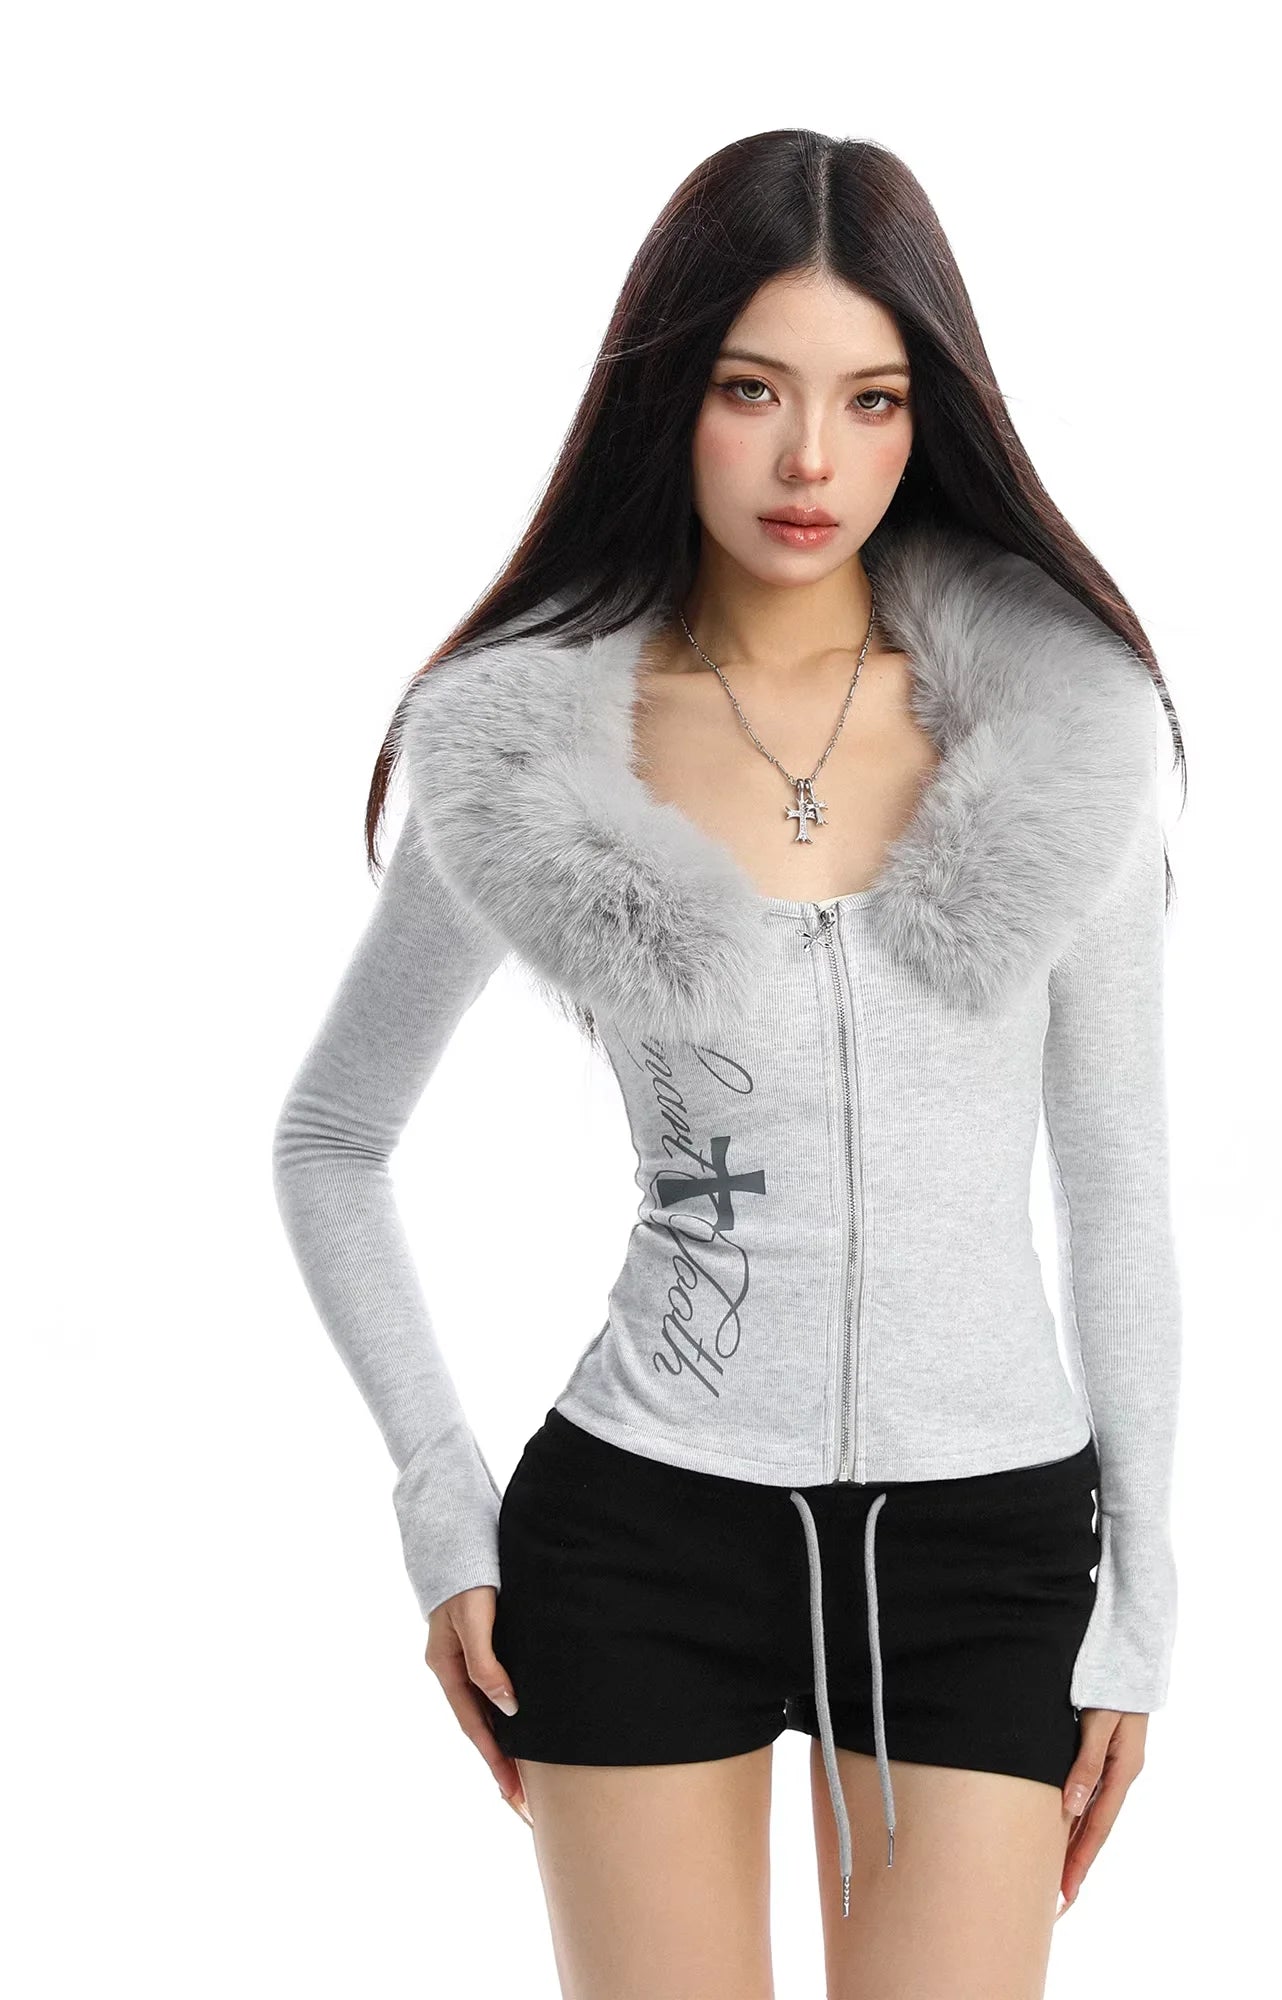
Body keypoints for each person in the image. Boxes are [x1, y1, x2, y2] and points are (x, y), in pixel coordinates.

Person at [272, 127, 1186, 2000]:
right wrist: (441, 1498)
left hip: (985, 1546)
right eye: (752, 389)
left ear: (930, 417)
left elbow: (1114, 1184)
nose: (809, 461)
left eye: (872, 399)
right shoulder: (534, 749)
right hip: (639, 1533)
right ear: (668, 393)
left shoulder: (1061, 735)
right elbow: (334, 1137)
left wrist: (1145, 1593)